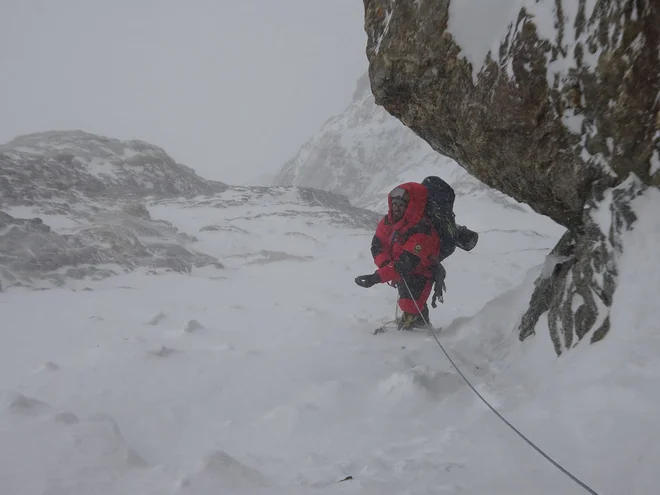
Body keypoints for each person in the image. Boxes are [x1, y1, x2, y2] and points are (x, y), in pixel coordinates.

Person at [354, 182, 441, 330]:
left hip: (421, 272)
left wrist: (377, 277)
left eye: (402, 204)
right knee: (408, 303)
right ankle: (415, 321)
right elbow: (377, 245)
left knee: (410, 305)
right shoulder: (388, 222)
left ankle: (419, 328)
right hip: (401, 271)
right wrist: (386, 266)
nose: (396, 207)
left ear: (412, 206)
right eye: (394, 203)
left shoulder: (422, 231)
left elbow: (405, 264)